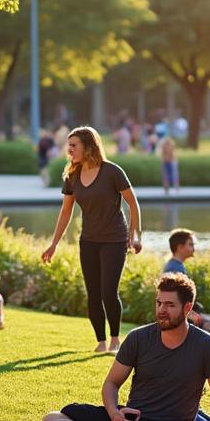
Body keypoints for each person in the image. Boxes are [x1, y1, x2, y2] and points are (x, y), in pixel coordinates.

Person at [40, 274, 210, 421]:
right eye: (159, 303)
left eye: (170, 304)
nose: (161, 310)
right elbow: (112, 383)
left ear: (187, 308)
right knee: (52, 420)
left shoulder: (207, 346)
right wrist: (114, 413)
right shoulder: (138, 338)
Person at [42, 126, 143, 353]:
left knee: (109, 291)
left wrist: (135, 234)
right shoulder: (72, 176)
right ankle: (101, 342)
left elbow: (132, 203)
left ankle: (115, 339)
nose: (69, 150)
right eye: (69, 146)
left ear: (89, 147)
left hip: (114, 240)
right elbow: (66, 212)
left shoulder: (112, 171)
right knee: (93, 293)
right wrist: (54, 243)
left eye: (74, 146)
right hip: (88, 241)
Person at [162, 229, 210, 336]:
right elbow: (174, 301)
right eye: (190, 244)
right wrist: (193, 316)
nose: (193, 248)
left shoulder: (177, 265)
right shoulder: (175, 268)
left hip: (186, 312)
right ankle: (193, 336)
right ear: (180, 248)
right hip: (182, 317)